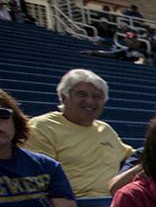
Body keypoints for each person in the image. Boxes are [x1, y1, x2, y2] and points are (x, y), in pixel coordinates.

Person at [24, 69, 132, 198]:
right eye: (82, 94)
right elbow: (39, 179)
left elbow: (130, 156)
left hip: (112, 202)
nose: (90, 101)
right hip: (72, 203)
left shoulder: (105, 129)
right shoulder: (43, 127)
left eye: (97, 96)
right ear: (64, 98)